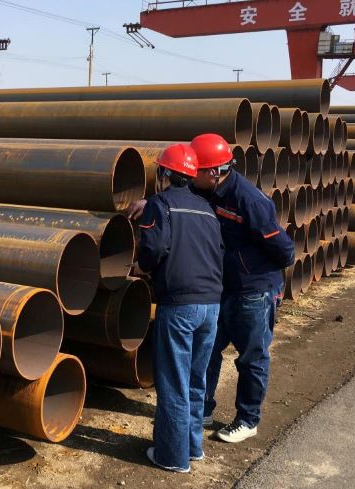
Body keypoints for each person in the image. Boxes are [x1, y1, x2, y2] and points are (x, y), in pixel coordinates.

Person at [189, 133, 295, 444]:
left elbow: (284, 250)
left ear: (214, 172)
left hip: (254, 290)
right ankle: (204, 408)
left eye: (196, 170)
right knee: (208, 349)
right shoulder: (208, 192)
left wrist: (252, 270)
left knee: (251, 356)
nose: (191, 176)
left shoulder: (249, 200)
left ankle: (248, 419)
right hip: (223, 287)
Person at [132, 143, 224, 473]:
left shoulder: (161, 204)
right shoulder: (206, 209)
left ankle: (173, 457)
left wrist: (143, 266)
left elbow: (153, 248)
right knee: (196, 380)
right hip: (211, 304)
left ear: (165, 174)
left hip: (180, 305)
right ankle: (193, 447)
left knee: (173, 381)